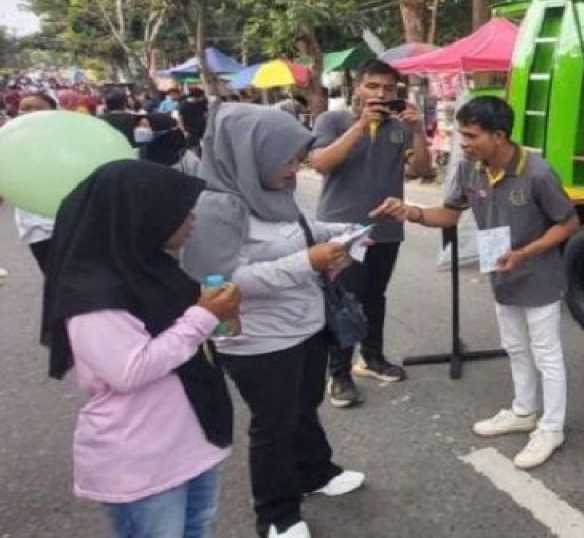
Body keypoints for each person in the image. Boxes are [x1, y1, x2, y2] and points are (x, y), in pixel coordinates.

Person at [183, 104, 365, 538]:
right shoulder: (216, 206)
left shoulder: (273, 189)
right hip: (258, 341)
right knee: (274, 425)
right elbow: (221, 283)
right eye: (286, 160)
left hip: (304, 323)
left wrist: (342, 232)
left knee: (303, 407)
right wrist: (308, 262)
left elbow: (299, 229)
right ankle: (277, 515)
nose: (294, 169)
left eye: (297, 159)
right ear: (250, 154)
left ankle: (315, 472)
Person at [371, 96, 579, 470]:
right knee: (514, 346)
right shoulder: (470, 169)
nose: (462, 143)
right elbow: (450, 214)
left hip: (538, 275)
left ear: (498, 136)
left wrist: (525, 253)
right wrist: (412, 212)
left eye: (470, 135)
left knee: (546, 353)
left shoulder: (538, 172)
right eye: (460, 134)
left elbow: (568, 223)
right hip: (501, 273)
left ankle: (551, 427)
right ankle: (524, 410)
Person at [41, 160, 239, 538]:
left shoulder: (150, 267)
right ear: (142, 215)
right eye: (181, 211)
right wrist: (203, 316)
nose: (192, 219)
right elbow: (129, 371)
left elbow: (182, 335)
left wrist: (219, 319)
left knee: (197, 528)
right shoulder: (93, 294)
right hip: (140, 459)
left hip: (188, 440)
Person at [311, 60, 435, 407]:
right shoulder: (332, 120)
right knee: (343, 300)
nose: (381, 94)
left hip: (387, 227)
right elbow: (320, 163)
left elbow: (422, 170)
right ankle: (339, 374)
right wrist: (360, 126)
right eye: (373, 87)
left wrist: (418, 131)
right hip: (341, 229)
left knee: (375, 296)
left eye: (388, 89)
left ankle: (373, 358)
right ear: (357, 87)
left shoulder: (399, 127)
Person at [13, 92, 60, 274]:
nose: (31, 112)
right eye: (25, 108)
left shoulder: (69, 139)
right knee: (53, 276)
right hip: (37, 227)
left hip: (74, 220)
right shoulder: (10, 143)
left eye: (38, 108)